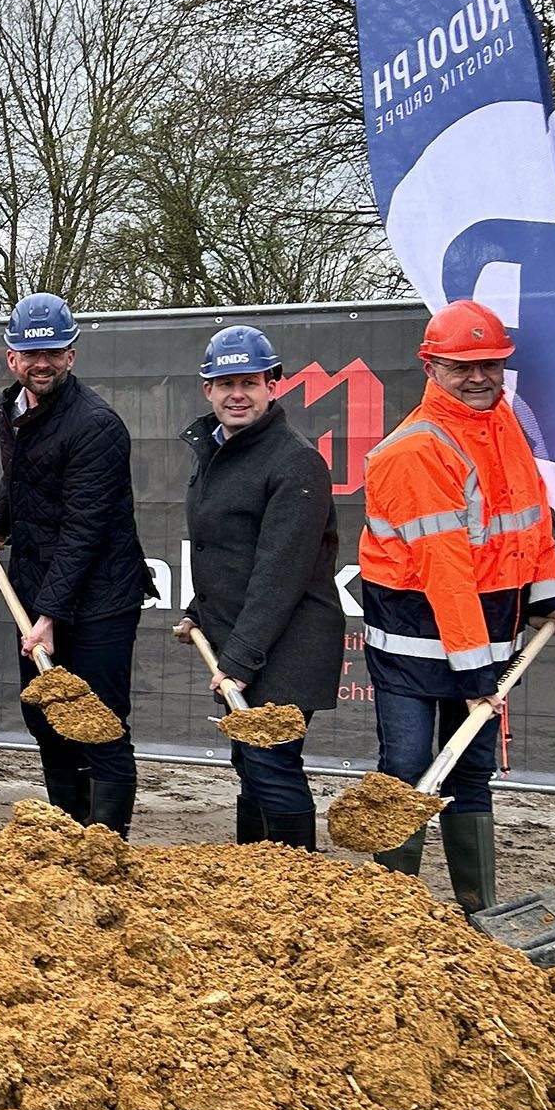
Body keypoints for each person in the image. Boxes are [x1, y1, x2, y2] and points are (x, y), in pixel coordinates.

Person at [358, 300, 555, 911]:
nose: (479, 377)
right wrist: (477, 673)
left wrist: (548, 594)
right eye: (462, 366)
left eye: (490, 364)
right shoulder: (415, 450)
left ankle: (476, 911)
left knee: (471, 770)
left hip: (487, 633)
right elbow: (446, 569)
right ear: (431, 367)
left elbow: (530, 522)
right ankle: (394, 911)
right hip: (415, 636)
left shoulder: (504, 424)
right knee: (408, 767)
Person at [0, 293, 150, 837]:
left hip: (100, 597)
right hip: (41, 587)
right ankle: (68, 840)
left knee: (97, 723)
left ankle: (106, 847)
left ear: (72, 354)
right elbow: (20, 477)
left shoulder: (96, 425)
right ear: (12, 358)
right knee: (47, 716)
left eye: (52, 352)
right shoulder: (14, 409)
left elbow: (84, 530)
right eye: (30, 353)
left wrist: (48, 617)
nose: (40, 363)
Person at [169, 325, 344, 851]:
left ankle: (297, 882)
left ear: (272, 385)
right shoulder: (217, 451)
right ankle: (256, 874)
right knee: (250, 760)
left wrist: (240, 662)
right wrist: (201, 610)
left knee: (271, 762)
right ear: (208, 389)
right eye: (226, 384)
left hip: (290, 643)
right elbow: (228, 550)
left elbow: (280, 573)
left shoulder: (294, 461)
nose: (237, 394)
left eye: (249, 382)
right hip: (245, 637)